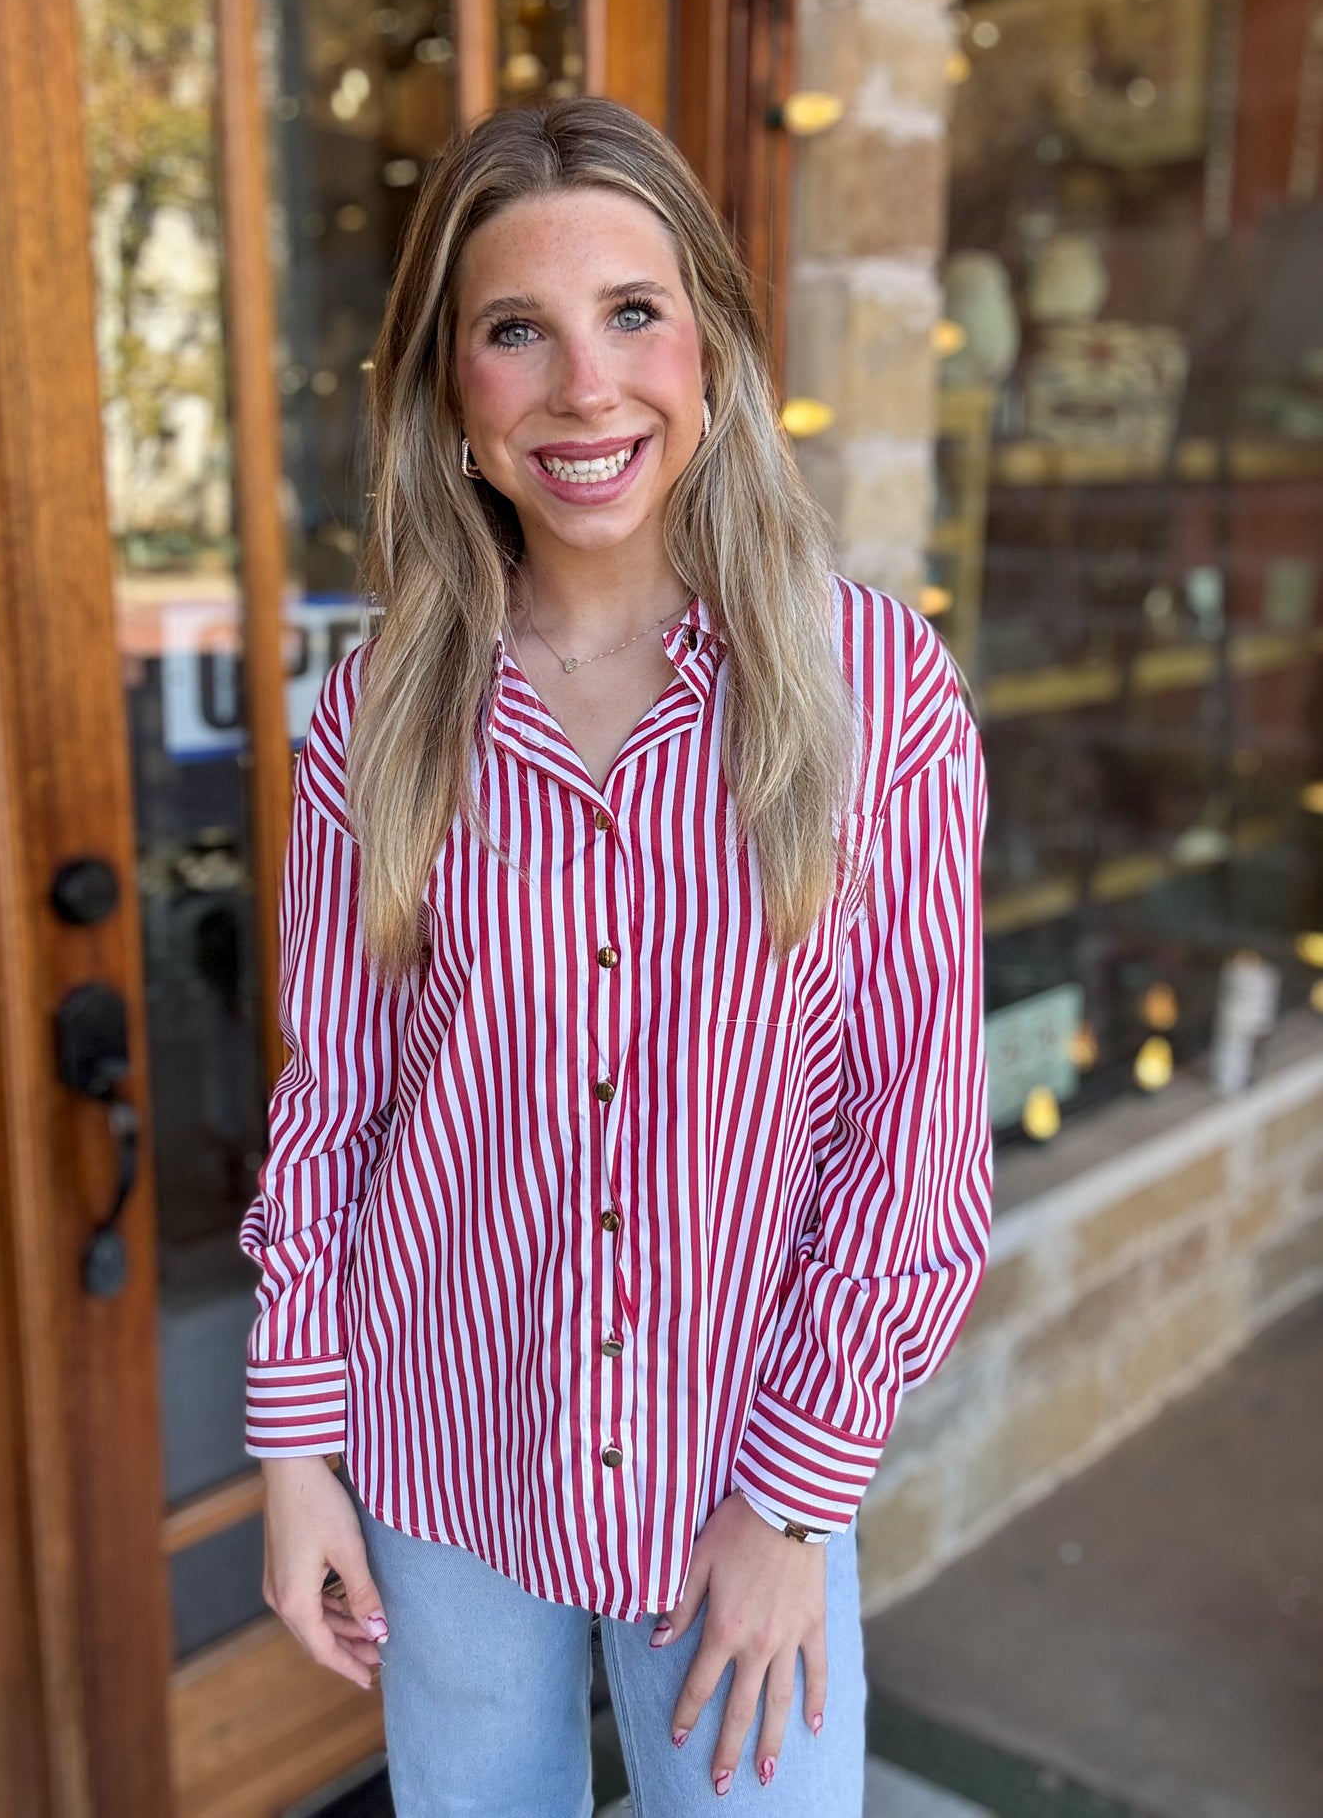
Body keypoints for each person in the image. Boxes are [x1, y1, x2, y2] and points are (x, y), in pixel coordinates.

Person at [240, 95, 992, 1814]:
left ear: (712, 352)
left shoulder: (870, 694)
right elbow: (336, 1105)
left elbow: (914, 1138)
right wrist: (297, 1451)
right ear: (450, 391)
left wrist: (796, 1500)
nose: (586, 386)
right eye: (518, 330)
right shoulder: (379, 716)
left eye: (632, 314)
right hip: (442, 1462)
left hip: (735, 1484)